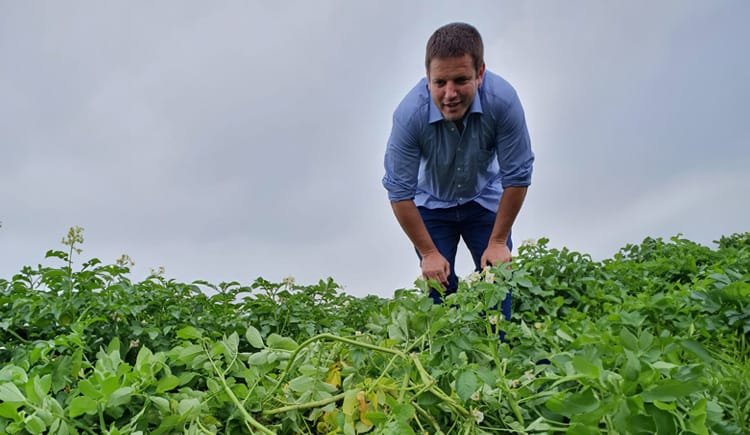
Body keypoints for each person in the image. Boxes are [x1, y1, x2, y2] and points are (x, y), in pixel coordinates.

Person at [382, 22, 534, 321]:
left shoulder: (503, 102)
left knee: (497, 286)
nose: (449, 94)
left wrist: (498, 242)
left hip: (483, 199)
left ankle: (499, 347)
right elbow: (399, 192)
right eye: (440, 82)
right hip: (431, 205)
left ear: (480, 73)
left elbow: (517, 175)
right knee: (439, 294)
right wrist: (428, 253)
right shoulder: (409, 114)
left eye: (461, 80)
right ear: (428, 77)